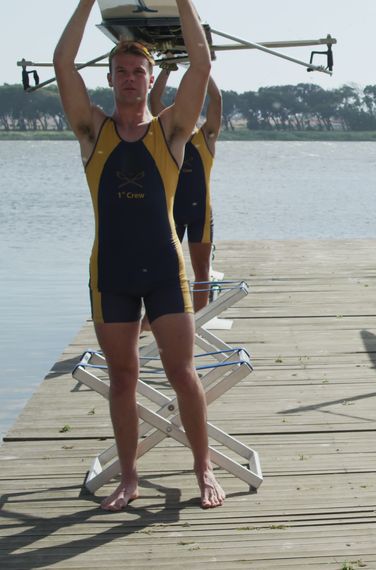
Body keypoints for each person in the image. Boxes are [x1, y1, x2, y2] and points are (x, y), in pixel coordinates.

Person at [54, 0, 225, 509]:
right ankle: (128, 476)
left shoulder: (170, 133)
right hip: (112, 273)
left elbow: (201, 64)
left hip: (164, 273)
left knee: (182, 373)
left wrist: (181, 2)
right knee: (123, 376)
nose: (130, 79)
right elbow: (63, 63)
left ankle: (203, 466)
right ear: (110, 77)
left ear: (151, 79)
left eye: (139, 72)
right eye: (122, 71)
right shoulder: (93, 130)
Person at [149, 65, 222, 313]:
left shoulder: (207, 137)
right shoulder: (170, 135)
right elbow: (153, 100)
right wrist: (167, 69)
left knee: (202, 270)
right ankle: (160, 315)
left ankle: (198, 319)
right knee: (166, 267)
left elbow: (216, 98)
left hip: (200, 213)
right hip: (172, 213)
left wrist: (201, 66)